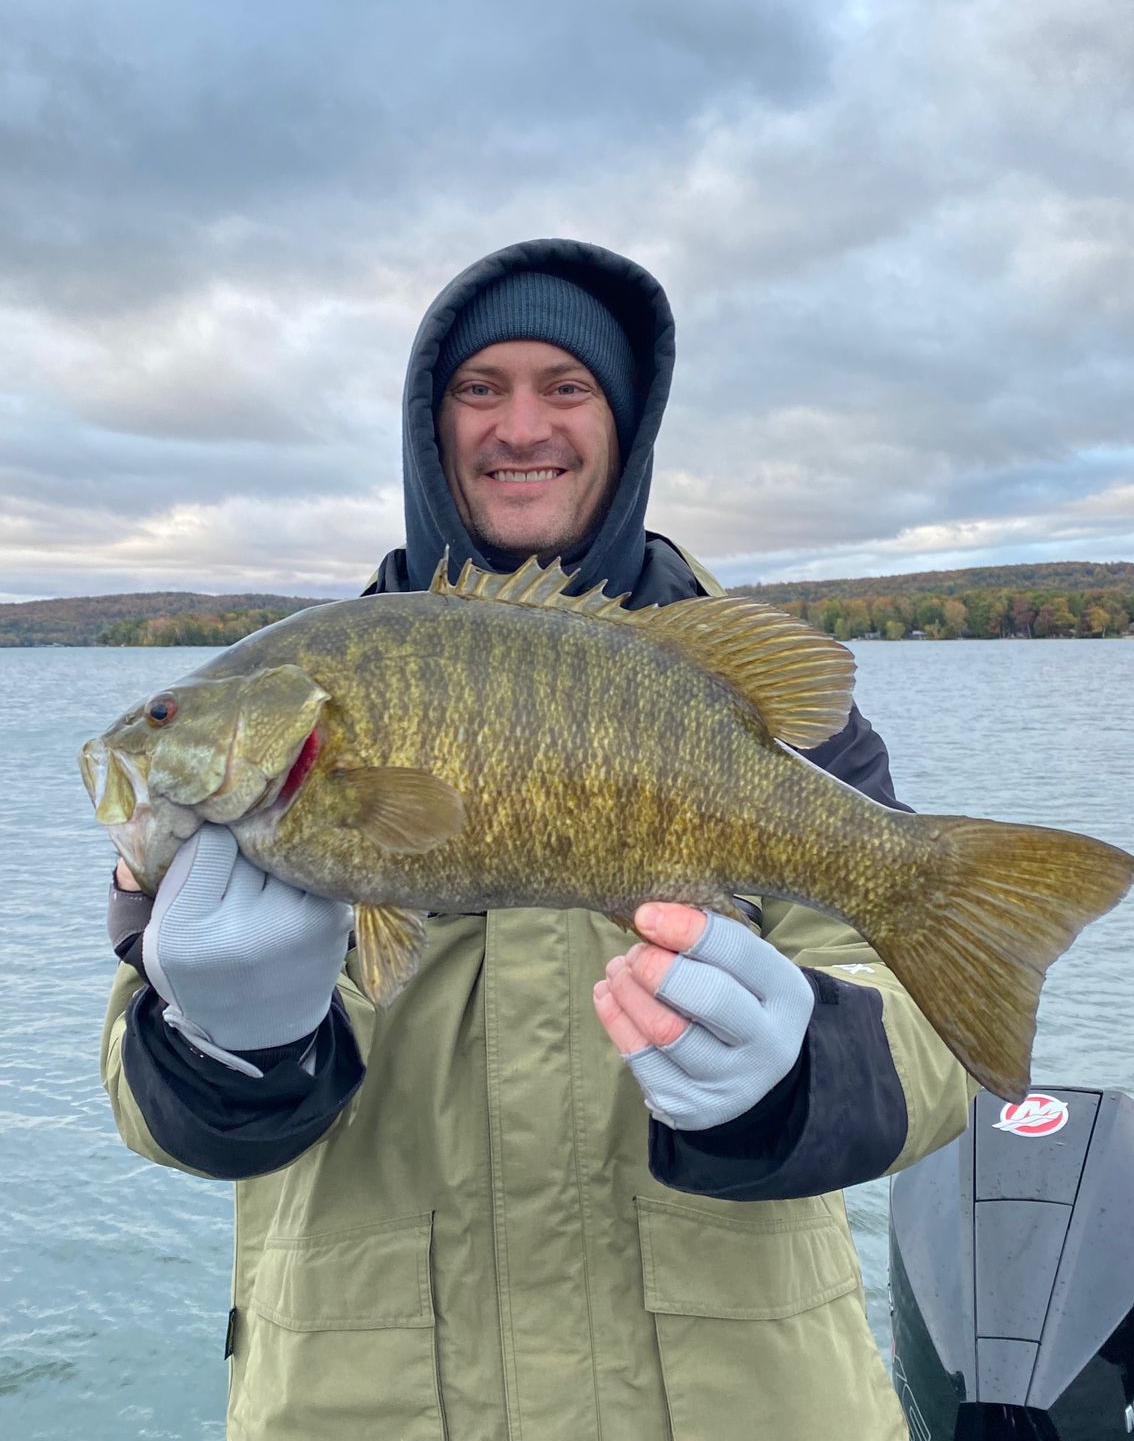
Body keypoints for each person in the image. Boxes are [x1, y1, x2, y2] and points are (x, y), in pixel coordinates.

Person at [101, 239, 974, 1440]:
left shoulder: (732, 697)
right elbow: (157, 1118)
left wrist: (794, 1079)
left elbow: (938, 1051)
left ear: (622, 425)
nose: (522, 426)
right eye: (479, 388)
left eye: (566, 388)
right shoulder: (274, 739)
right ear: (429, 424)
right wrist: (227, 1046)